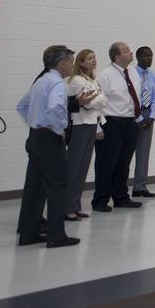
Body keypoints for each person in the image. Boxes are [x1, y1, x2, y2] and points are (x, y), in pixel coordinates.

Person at [15, 45, 80, 248]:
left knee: (33, 188)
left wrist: (36, 122)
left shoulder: (41, 81)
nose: (72, 65)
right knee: (57, 186)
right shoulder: (57, 83)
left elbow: (22, 106)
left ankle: (28, 233)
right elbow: (55, 107)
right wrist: (59, 128)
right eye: (71, 61)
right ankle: (56, 235)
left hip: (35, 138)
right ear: (61, 64)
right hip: (49, 141)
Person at [91, 42, 143, 212]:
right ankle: (100, 200)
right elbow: (97, 102)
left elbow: (136, 96)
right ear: (117, 56)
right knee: (106, 163)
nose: (131, 53)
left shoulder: (133, 71)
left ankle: (121, 197)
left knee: (124, 162)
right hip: (112, 123)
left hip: (130, 122)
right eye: (127, 51)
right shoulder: (105, 75)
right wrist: (98, 127)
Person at [65, 49, 105, 220]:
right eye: (89, 58)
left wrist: (95, 101)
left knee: (83, 168)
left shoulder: (93, 80)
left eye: (94, 57)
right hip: (79, 125)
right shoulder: (75, 81)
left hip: (91, 125)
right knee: (73, 168)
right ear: (80, 62)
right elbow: (88, 104)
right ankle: (66, 207)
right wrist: (95, 100)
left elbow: (102, 102)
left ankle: (76, 204)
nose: (93, 60)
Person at [132, 46, 155, 198]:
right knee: (125, 153)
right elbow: (130, 99)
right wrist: (139, 118)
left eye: (151, 55)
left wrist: (151, 117)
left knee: (143, 153)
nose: (149, 58)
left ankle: (139, 187)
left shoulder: (153, 76)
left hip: (147, 115)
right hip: (131, 116)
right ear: (138, 57)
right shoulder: (131, 73)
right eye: (146, 56)